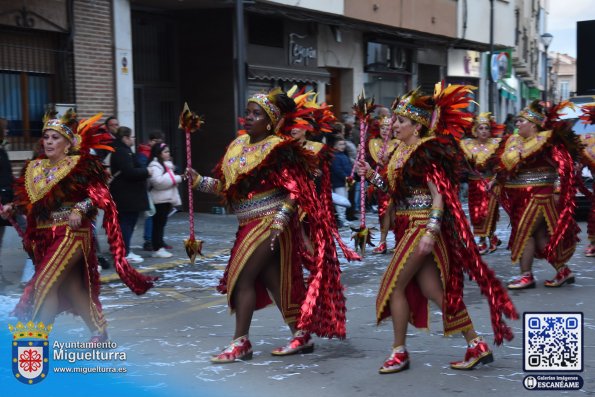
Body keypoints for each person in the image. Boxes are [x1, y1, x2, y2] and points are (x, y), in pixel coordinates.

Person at [357, 86, 517, 374]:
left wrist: (431, 230)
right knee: (433, 291)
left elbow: (439, 194)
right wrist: (370, 175)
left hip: (421, 225)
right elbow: (396, 192)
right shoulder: (399, 151)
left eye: (400, 121)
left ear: (416, 125)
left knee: (393, 286)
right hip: (406, 225)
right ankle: (476, 344)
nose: (394, 125)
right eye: (394, 120)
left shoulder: (426, 150)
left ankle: (399, 351)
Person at [188, 88, 346, 363]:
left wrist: (280, 221)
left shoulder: (279, 149)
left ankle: (241, 343)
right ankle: (301, 333)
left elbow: (297, 190)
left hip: (269, 222)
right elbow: (228, 188)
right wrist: (198, 181)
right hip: (246, 222)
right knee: (273, 281)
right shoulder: (237, 146)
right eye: (248, 112)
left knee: (242, 279)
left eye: (256, 114)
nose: (248, 117)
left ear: (271, 121)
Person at [0, 112, 156, 341]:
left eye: (56, 137)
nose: (50, 142)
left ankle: (36, 340)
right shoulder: (34, 168)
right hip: (45, 236)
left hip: (72, 233)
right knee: (73, 288)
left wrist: (80, 208)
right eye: (47, 137)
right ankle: (99, 332)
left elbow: (98, 193)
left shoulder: (80, 165)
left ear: (68, 143)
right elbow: (31, 202)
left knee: (45, 282)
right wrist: (14, 207)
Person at [494, 101, 580, 289]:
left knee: (524, 233)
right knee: (540, 237)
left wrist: (558, 190)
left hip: (540, 196)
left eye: (520, 121)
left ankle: (526, 276)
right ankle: (563, 271)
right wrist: (497, 181)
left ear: (533, 124)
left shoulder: (547, 141)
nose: (517, 125)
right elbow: (508, 169)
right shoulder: (515, 142)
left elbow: (564, 166)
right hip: (521, 197)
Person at [459, 112, 503, 254]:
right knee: (476, 213)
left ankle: (484, 241)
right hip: (474, 184)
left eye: (486, 128)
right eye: (481, 128)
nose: (484, 131)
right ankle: (490, 239)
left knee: (487, 212)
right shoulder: (467, 144)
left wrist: (495, 181)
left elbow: (501, 165)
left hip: (489, 183)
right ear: (475, 131)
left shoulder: (496, 144)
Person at [109, 126, 152, 264]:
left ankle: (123, 251)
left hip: (128, 194)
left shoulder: (123, 150)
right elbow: (129, 172)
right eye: (131, 137)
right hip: (126, 195)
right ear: (125, 138)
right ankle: (124, 252)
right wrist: (146, 172)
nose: (133, 139)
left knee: (127, 223)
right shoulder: (121, 152)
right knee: (126, 223)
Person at [367, 114, 399, 254]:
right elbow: (371, 164)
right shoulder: (373, 143)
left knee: (396, 213)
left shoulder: (399, 143)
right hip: (379, 180)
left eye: (388, 127)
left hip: (396, 180)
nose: (385, 130)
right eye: (382, 127)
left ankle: (399, 240)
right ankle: (382, 242)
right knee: (383, 210)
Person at [147, 143, 182, 258]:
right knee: (158, 225)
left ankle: (159, 245)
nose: (168, 154)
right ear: (159, 154)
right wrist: (177, 178)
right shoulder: (155, 166)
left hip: (165, 199)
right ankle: (157, 248)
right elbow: (158, 182)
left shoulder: (167, 165)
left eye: (168, 151)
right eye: (165, 152)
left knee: (161, 225)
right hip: (159, 200)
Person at [137, 130, 165, 252]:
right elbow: (146, 169)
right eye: (157, 142)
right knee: (151, 214)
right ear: (151, 141)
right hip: (149, 188)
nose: (160, 144)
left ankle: (158, 239)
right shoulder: (144, 153)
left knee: (159, 216)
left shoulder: (160, 152)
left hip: (159, 188)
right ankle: (148, 240)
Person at [329, 135, 353, 228]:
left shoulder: (344, 155)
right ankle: (341, 219)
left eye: (343, 144)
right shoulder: (335, 156)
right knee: (341, 201)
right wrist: (346, 177)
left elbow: (348, 167)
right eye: (340, 144)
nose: (342, 146)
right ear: (335, 146)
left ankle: (344, 218)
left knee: (345, 199)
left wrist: (351, 175)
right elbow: (337, 170)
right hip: (339, 182)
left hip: (346, 181)